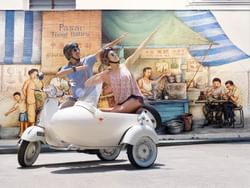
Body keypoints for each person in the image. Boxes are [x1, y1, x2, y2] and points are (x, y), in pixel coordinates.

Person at [85, 28, 159, 113]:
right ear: (107, 60)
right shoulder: (106, 74)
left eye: (115, 53)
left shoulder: (126, 64)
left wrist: (152, 35)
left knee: (114, 112)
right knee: (101, 112)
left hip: (135, 98)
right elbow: (88, 83)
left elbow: (140, 48)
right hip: (120, 103)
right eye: (112, 54)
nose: (115, 55)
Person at [57, 33, 127, 108]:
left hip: (89, 99)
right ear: (68, 54)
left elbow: (104, 49)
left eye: (78, 49)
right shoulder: (68, 68)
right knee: (61, 110)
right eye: (74, 50)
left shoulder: (87, 60)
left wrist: (118, 40)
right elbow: (59, 74)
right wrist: (76, 69)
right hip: (75, 99)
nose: (78, 51)